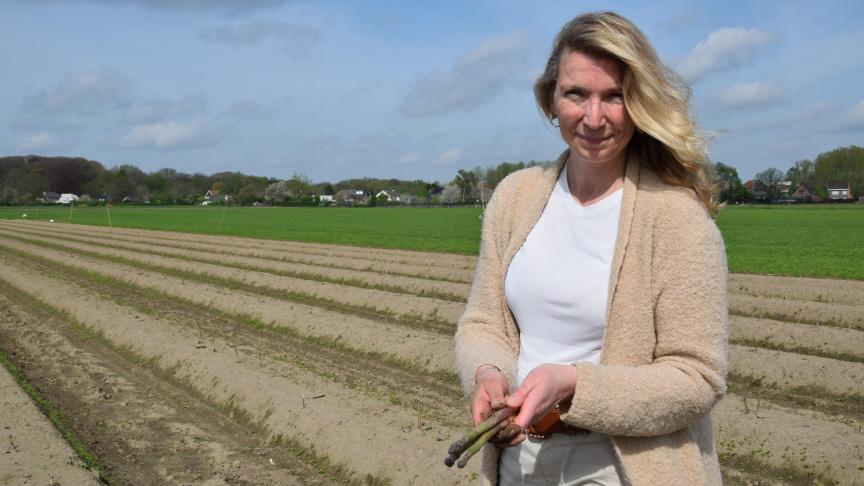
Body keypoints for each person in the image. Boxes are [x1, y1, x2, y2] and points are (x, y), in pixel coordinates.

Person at [454, 11, 729, 486]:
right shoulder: (515, 197)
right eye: (576, 94)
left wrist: (574, 385)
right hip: (518, 463)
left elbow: (696, 377)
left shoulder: (676, 217)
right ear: (550, 100)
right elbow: (484, 321)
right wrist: (486, 373)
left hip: (622, 468)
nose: (594, 118)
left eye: (614, 97)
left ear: (639, 104)